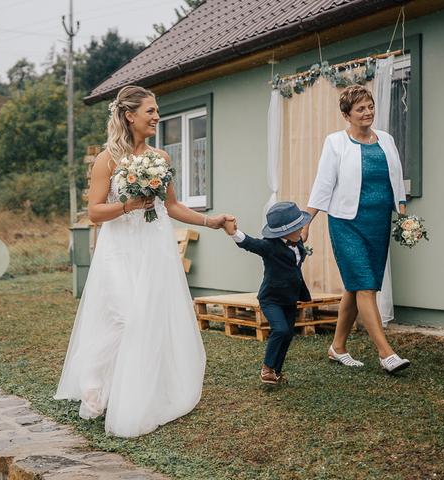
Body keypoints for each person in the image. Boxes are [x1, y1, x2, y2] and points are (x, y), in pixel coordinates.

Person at [55, 85, 233, 437]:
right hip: (119, 249)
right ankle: (94, 382)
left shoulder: (161, 158)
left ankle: (138, 395)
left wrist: (210, 221)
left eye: (157, 110)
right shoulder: (107, 159)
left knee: (148, 318)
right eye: (150, 111)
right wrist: (129, 205)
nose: (157, 117)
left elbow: (173, 205)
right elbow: (95, 212)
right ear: (129, 115)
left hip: (153, 247)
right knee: (124, 315)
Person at [302, 85, 410, 374]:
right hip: (346, 223)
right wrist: (306, 221)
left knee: (356, 286)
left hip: (378, 224)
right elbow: (323, 184)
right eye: (360, 109)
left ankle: (337, 347)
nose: (368, 112)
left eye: (370, 106)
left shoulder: (386, 140)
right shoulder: (335, 142)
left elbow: (396, 178)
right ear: (346, 115)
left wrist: (403, 215)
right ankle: (386, 353)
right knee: (365, 285)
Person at [224, 201, 312, 384]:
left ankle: (276, 372)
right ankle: (267, 368)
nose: (301, 228)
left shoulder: (297, 240)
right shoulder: (269, 246)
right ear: (284, 232)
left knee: (288, 334)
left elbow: (299, 250)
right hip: (271, 298)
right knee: (280, 329)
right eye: (298, 227)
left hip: (290, 297)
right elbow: (250, 243)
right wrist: (233, 233)